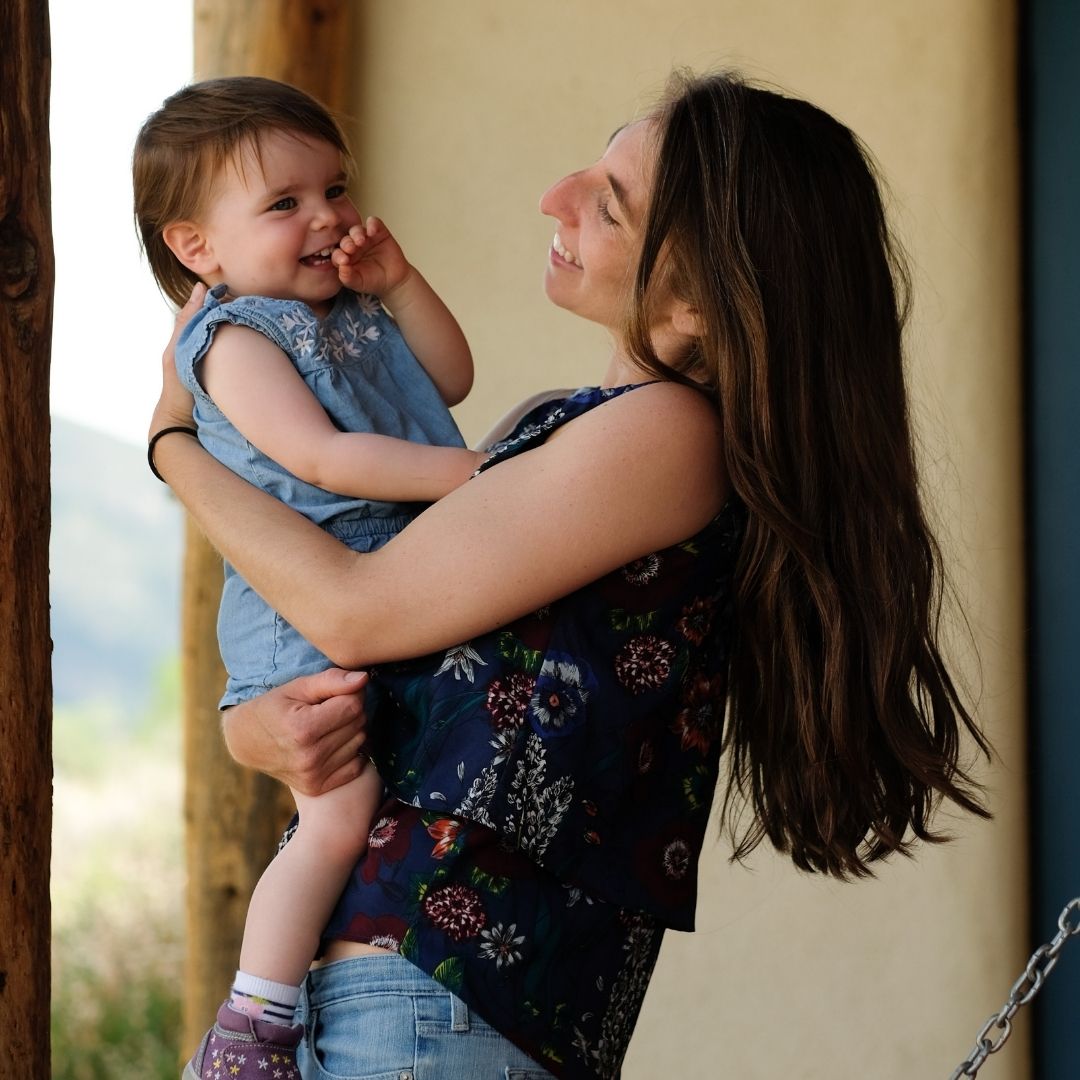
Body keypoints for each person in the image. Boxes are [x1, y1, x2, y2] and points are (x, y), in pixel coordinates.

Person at [148, 70, 990, 1080]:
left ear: (698, 297)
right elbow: (374, 655)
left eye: (611, 202)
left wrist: (176, 442)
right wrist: (263, 727)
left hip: (439, 1000)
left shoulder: (666, 436)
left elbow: (353, 609)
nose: (558, 195)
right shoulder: (570, 431)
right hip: (385, 988)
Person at [133, 76, 486, 1077]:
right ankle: (254, 1020)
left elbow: (450, 379)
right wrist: (483, 477)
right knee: (338, 804)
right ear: (197, 247)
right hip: (300, 607)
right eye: (284, 203)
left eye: (335, 189)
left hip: (376, 574)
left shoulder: (354, 310)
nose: (326, 216)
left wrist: (400, 283)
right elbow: (323, 460)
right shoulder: (236, 341)